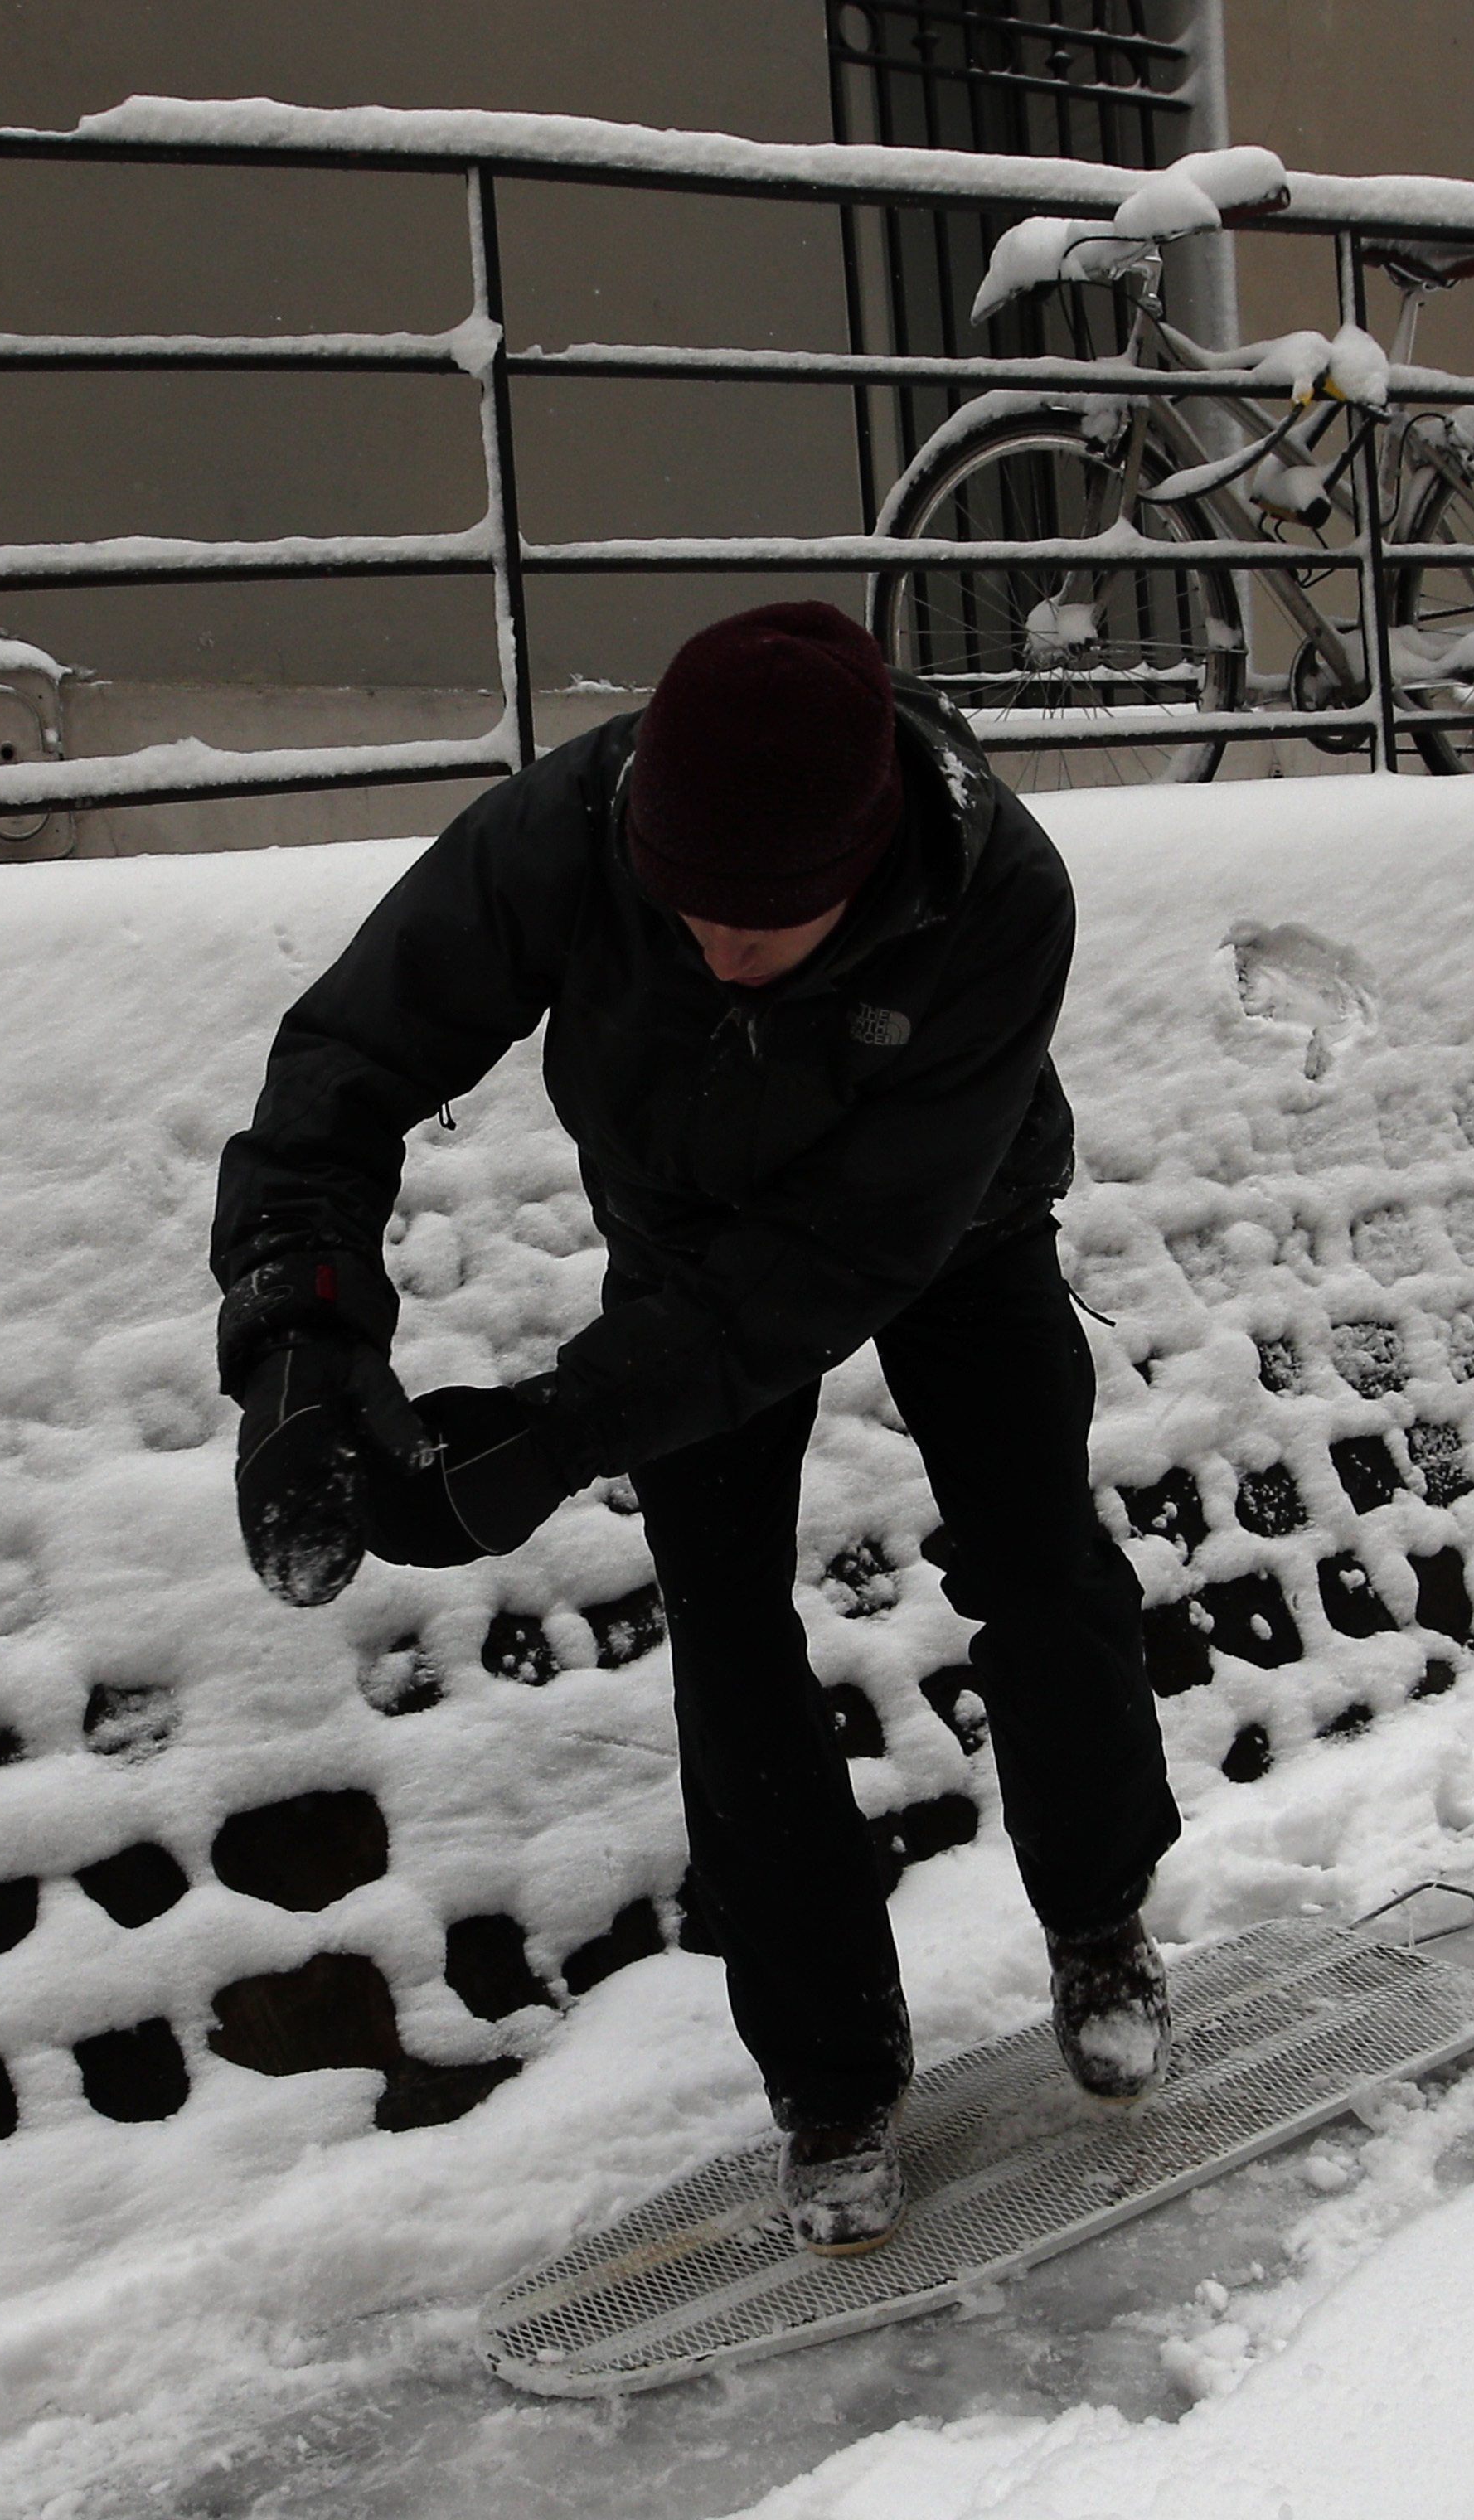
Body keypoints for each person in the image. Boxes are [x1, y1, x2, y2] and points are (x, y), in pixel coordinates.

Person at [208, 599, 1181, 2259]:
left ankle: (1099, 1921)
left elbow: (830, 1266)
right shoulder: (576, 829)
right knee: (728, 1636)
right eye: (687, 912)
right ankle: (832, 2080)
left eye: (765, 924)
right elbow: (349, 1060)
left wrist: (556, 1425)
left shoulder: (997, 895)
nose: (715, 947)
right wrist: (297, 1338)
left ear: (862, 870)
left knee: (1034, 1560)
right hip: (680, 1239)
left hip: (946, 1226)